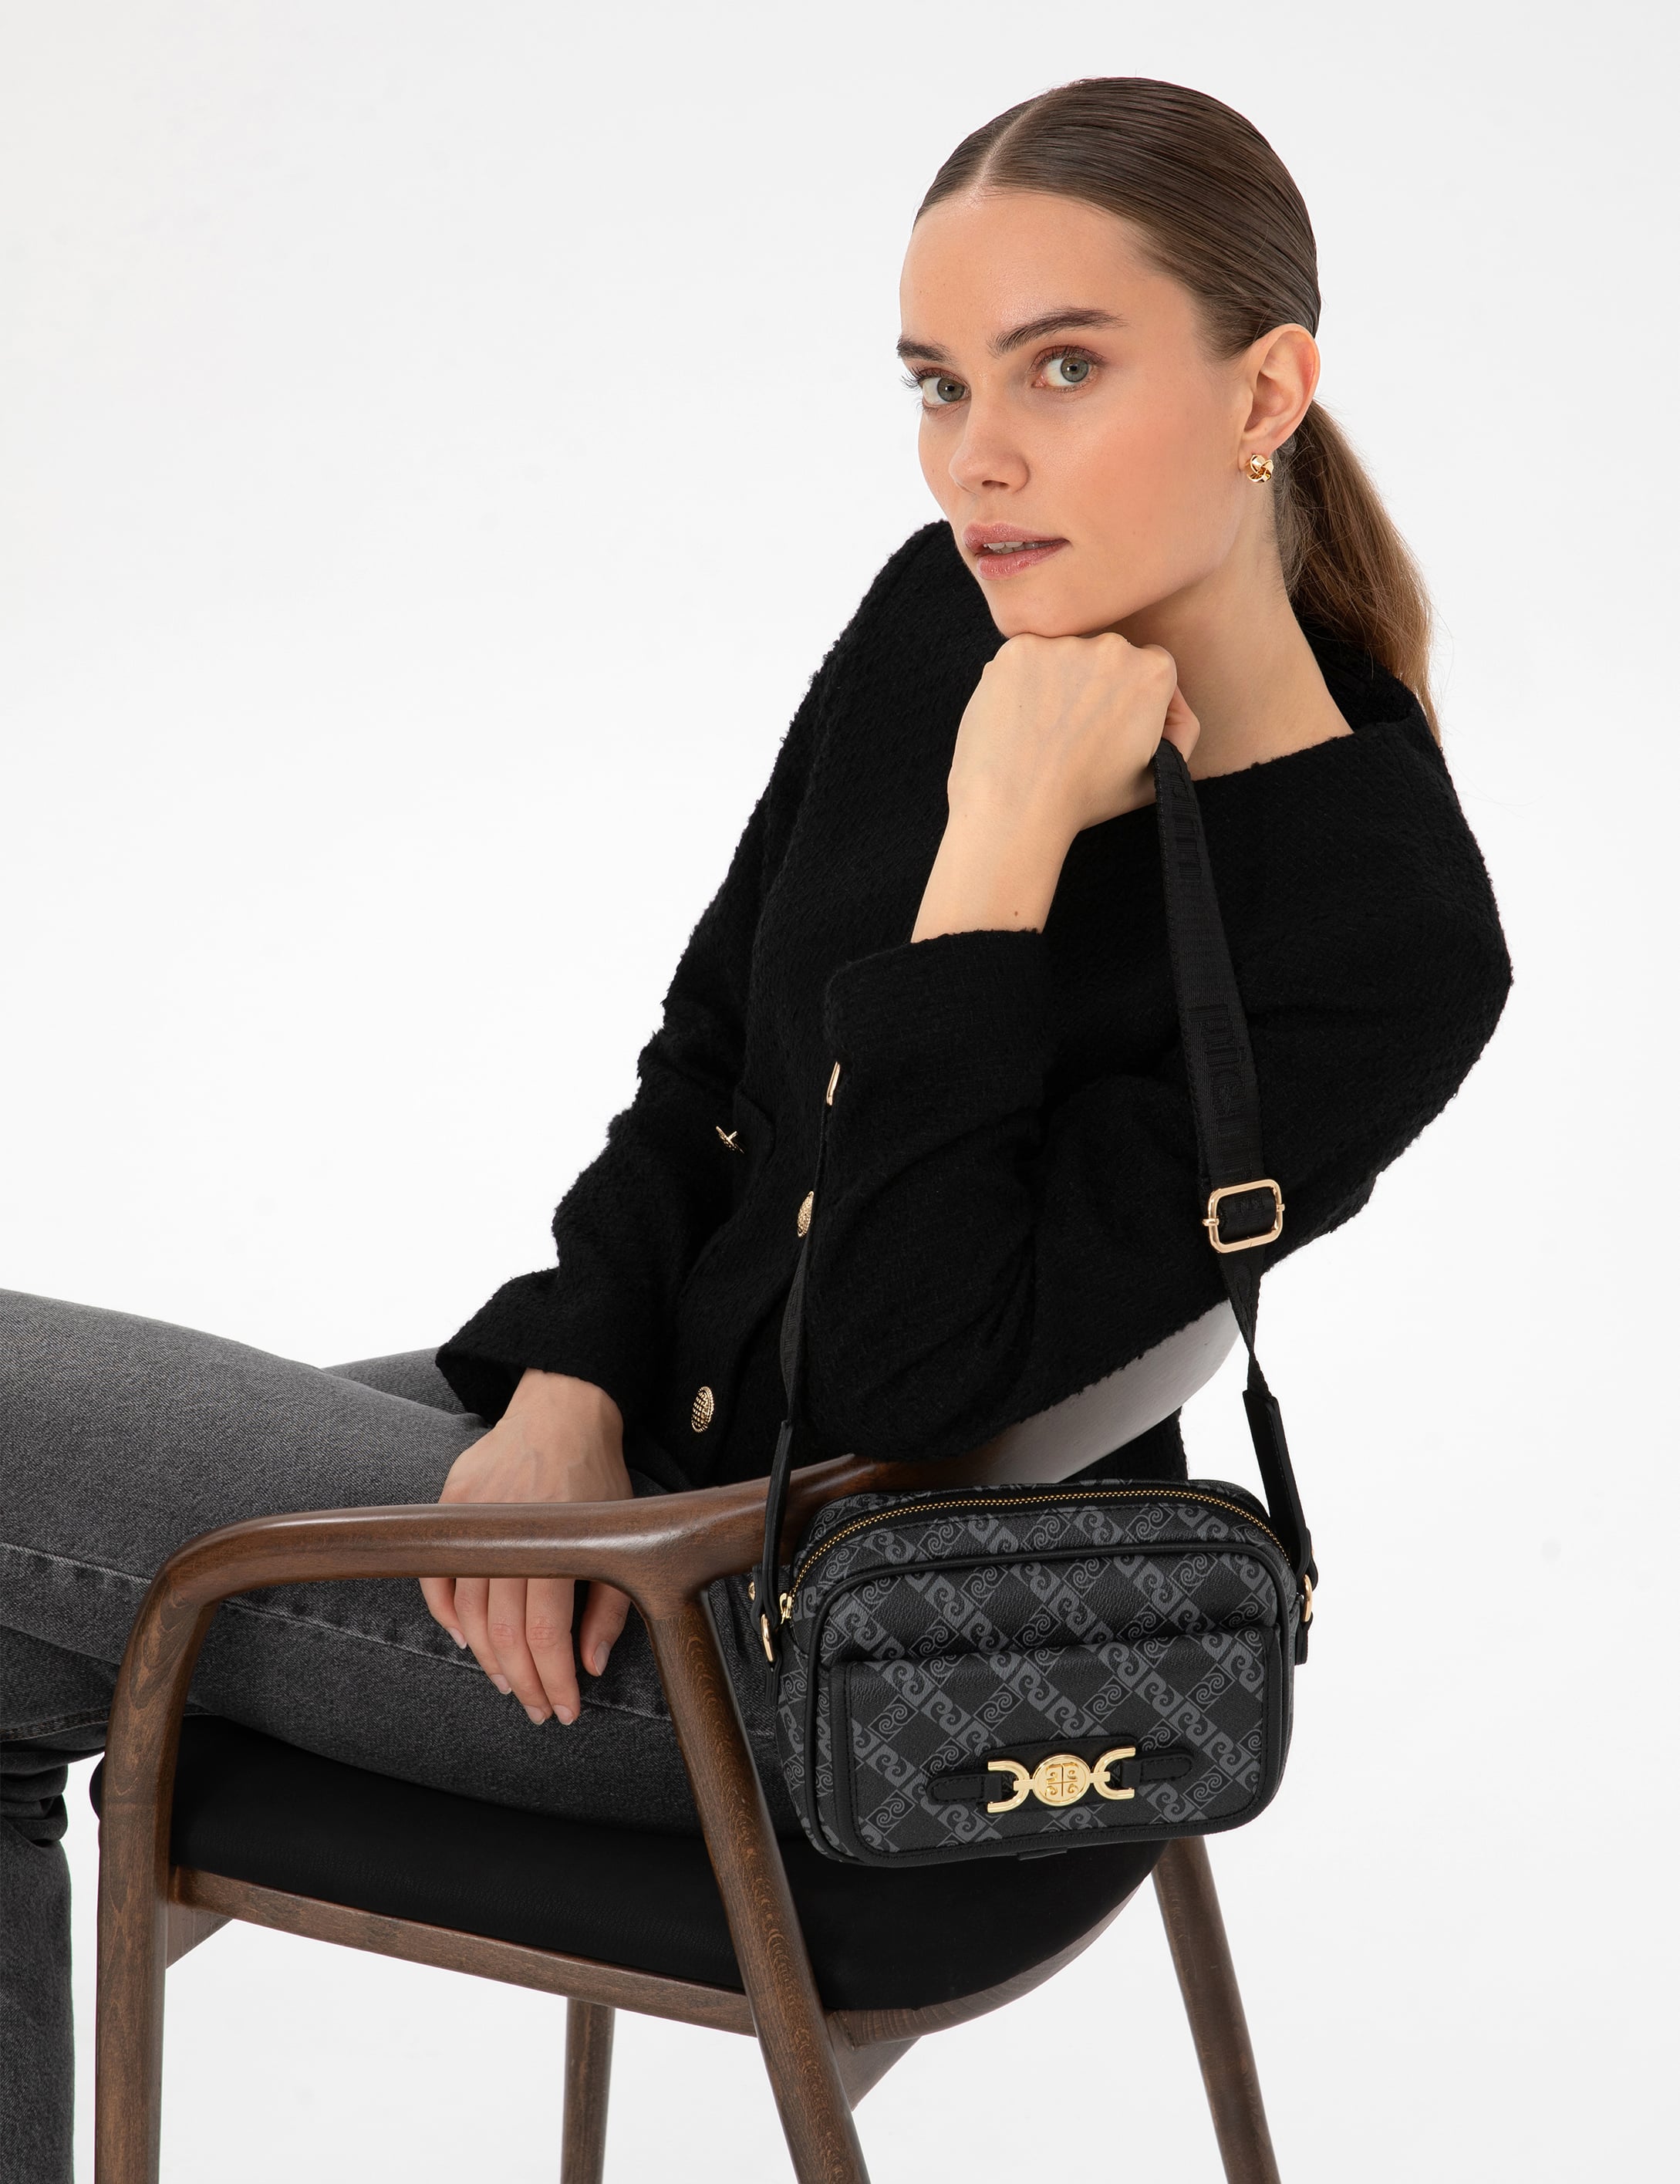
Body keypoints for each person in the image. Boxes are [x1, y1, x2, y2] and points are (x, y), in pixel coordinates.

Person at [0, 76, 1510, 2179]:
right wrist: (563, 1379)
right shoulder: (947, 606)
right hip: (643, 1465)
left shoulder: (1382, 932)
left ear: (1267, 389)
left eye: (1063, 368)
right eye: (937, 383)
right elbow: (713, 1053)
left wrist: (996, 854)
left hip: (810, 1644)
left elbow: (905, 1372)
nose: (976, 458)